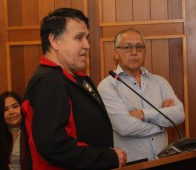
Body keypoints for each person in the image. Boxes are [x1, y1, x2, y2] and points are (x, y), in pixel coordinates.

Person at [21, 7, 127, 170]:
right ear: (54, 40)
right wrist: (107, 158)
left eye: (87, 38)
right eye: (79, 38)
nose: (87, 45)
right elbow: (54, 146)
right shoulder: (48, 82)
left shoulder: (77, 79)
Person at [97, 28, 185, 162]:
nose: (134, 52)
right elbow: (125, 127)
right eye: (127, 47)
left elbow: (179, 114)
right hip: (132, 164)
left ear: (145, 52)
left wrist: (143, 114)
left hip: (163, 161)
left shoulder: (159, 82)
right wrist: (163, 121)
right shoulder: (108, 86)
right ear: (116, 53)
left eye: (139, 47)